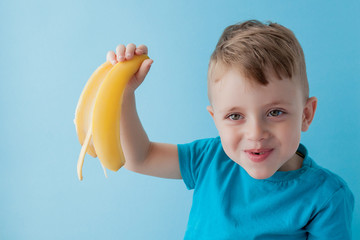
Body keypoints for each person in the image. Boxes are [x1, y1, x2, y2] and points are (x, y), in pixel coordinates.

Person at [106, 20, 354, 239]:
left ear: (306, 115)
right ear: (216, 119)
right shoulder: (208, 158)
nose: (256, 133)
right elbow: (140, 158)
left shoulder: (327, 197)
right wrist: (124, 93)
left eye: (275, 112)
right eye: (235, 116)